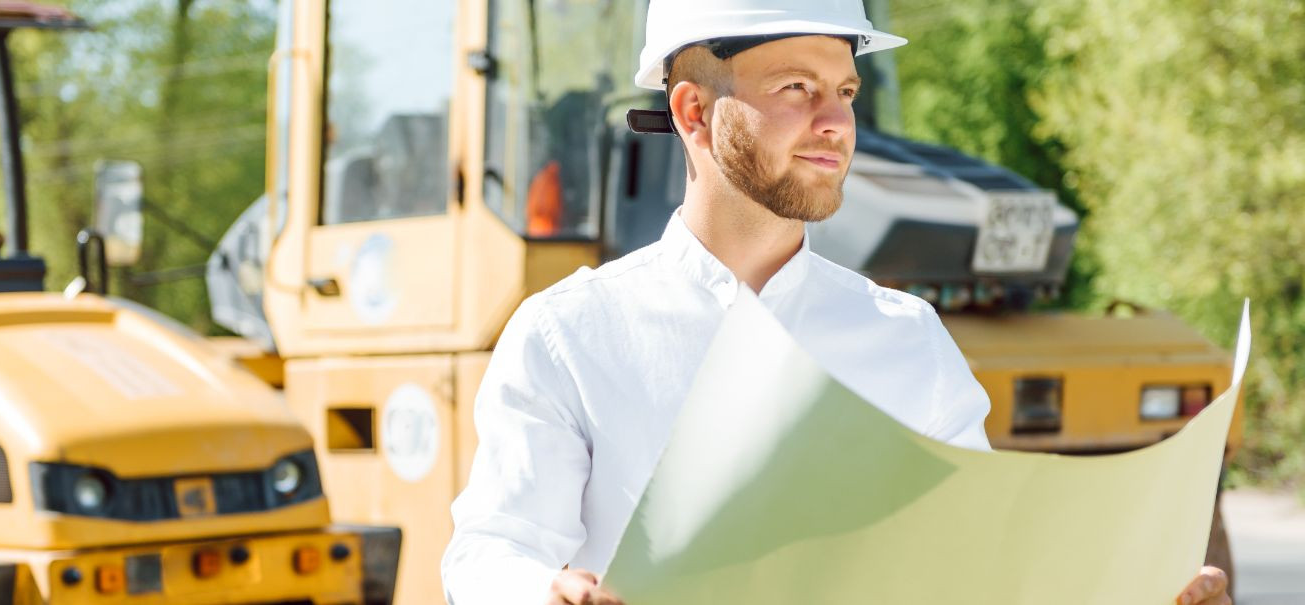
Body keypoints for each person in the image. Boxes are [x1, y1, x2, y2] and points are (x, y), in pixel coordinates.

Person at [440, 1, 1232, 604]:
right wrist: (542, 591)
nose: (837, 124)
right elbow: (489, 551)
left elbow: (982, 566)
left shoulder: (907, 340)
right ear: (692, 112)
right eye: (798, 88)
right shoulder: (570, 335)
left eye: (846, 92)